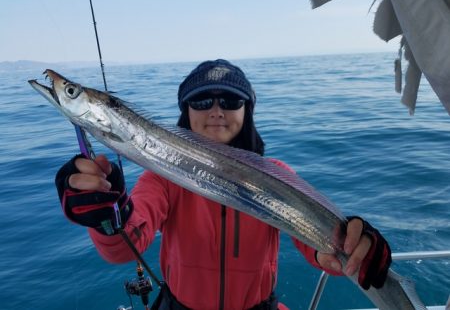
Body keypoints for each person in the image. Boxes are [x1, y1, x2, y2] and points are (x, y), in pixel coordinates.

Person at [55, 59, 392, 310]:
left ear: (247, 111)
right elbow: (126, 243)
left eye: (230, 101)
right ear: (186, 112)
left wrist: (350, 247)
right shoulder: (162, 178)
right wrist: (107, 214)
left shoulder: (276, 172)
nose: (216, 111)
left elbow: (316, 248)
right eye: (202, 102)